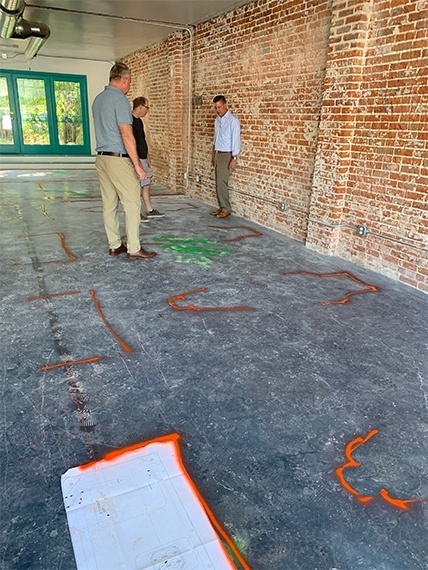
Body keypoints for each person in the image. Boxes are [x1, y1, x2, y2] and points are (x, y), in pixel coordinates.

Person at [92, 62, 157, 260]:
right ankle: (134, 248)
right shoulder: (120, 100)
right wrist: (138, 166)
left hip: (102, 158)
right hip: (118, 159)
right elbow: (127, 136)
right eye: (129, 82)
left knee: (110, 204)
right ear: (125, 80)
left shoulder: (98, 99)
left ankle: (114, 245)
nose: (129, 87)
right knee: (132, 203)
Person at [132, 96, 165, 221]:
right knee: (137, 185)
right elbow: (131, 142)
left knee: (146, 184)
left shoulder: (139, 121)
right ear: (140, 106)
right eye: (147, 107)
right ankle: (136, 212)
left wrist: (147, 156)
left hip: (142, 157)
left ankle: (150, 210)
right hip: (137, 159)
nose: (147, 110)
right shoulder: (130, 122)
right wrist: (136, 162)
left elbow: (142, 140)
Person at [210, 95, 241, 218]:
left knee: (222, 182)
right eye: (216, 108)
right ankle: (221, 206)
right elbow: (215, 139)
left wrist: (234, 158)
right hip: (218, 153)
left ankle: (226, 208)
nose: (218, 110)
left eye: (219, 107)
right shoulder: (217, 120)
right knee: (218, 181)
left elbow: (236, 140)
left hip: (226, 155)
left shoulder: (233, 121)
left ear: (225, 105)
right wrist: (213, 155)